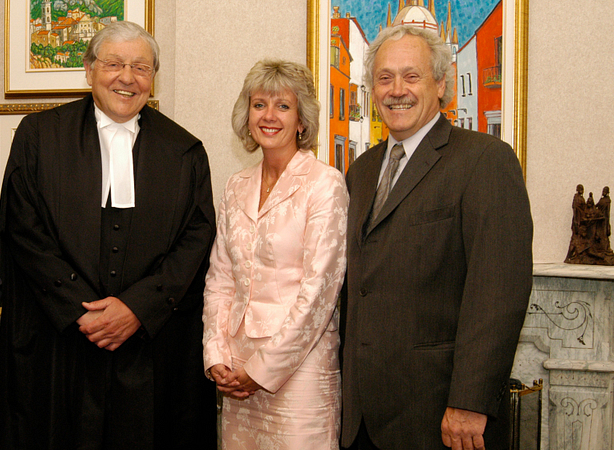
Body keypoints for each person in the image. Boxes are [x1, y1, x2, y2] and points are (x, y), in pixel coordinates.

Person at [0, 21, 217, 450]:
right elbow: (22, 230)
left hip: (149, 347)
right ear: (90, 69)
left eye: (141, 67)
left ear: (153, 78)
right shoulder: (39, 136)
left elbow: (197, 240)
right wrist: (83, 310)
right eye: (114, 64)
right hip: (60, 345)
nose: (127, 78)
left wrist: (135, 308)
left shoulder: (185, 150)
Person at [340, 25, 532, 450]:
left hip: (440, 416)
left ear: (441, 84)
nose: (396, 90)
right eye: (385, 78)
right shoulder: (362, 170)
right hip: (361, 419)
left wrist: (469, 400)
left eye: (412, 76)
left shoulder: (485, 160)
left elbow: (498, 293)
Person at [203, 59, 348, 448]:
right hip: (236, 370)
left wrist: (262, 370)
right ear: (246, 114)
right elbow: (221, 278)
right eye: (259, 104)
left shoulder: (324, 184)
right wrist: (216, 355)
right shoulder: (236, 185)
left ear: (302, 120)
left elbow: (320, 293)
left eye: (283, 106)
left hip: (299, 372)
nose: (269, 116)